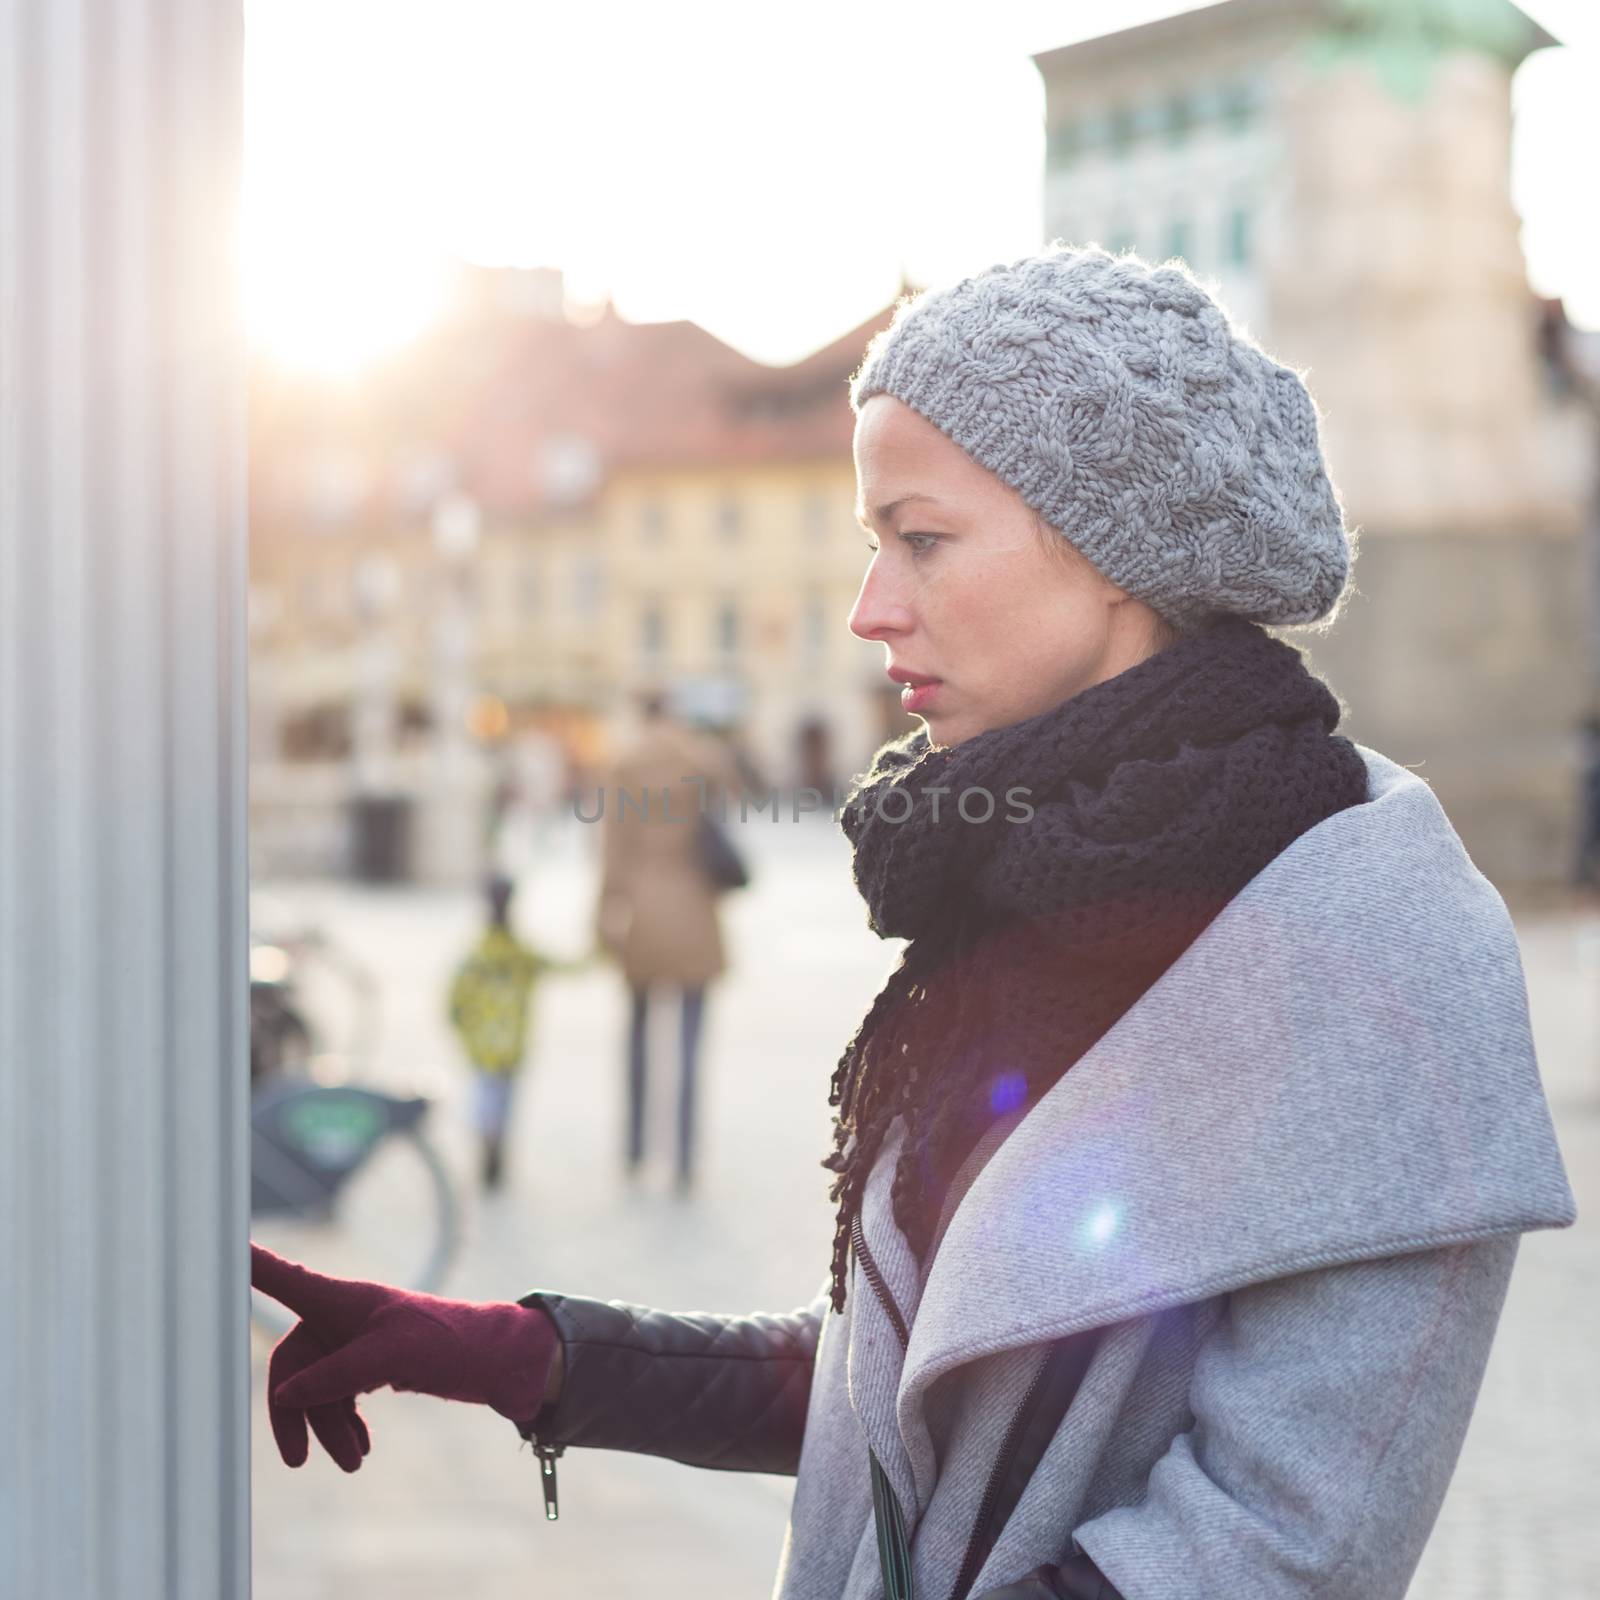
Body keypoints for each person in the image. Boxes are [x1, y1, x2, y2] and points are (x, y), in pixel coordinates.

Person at [252, 247, 1576, 1600]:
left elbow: (1281, 1550)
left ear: (1117, 547)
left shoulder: (1376, 942)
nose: (868, 608)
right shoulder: (1012, 881)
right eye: (871, 542)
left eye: (923, 538)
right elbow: (914, 1390)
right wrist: (530, 1356)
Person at [593, 691, 744, 1189]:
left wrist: (604, 916)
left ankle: (635, 1148)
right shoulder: (700, 759)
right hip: (696, 910)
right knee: (691, 1043)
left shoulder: (625, 766)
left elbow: (613, 849)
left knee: (637, 1036)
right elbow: (733, 800)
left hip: (642, 910)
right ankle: (683, 1156)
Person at [447, 872, 588, 1192]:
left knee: (486, 1100)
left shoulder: (476, 956)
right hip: (511, 1046)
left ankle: (489, 1142)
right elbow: (574, 968)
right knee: (503, 1103)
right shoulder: (520, 955)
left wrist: (464, 1032)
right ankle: (495, 1147)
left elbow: (452, 1003)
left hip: (483, 1047)